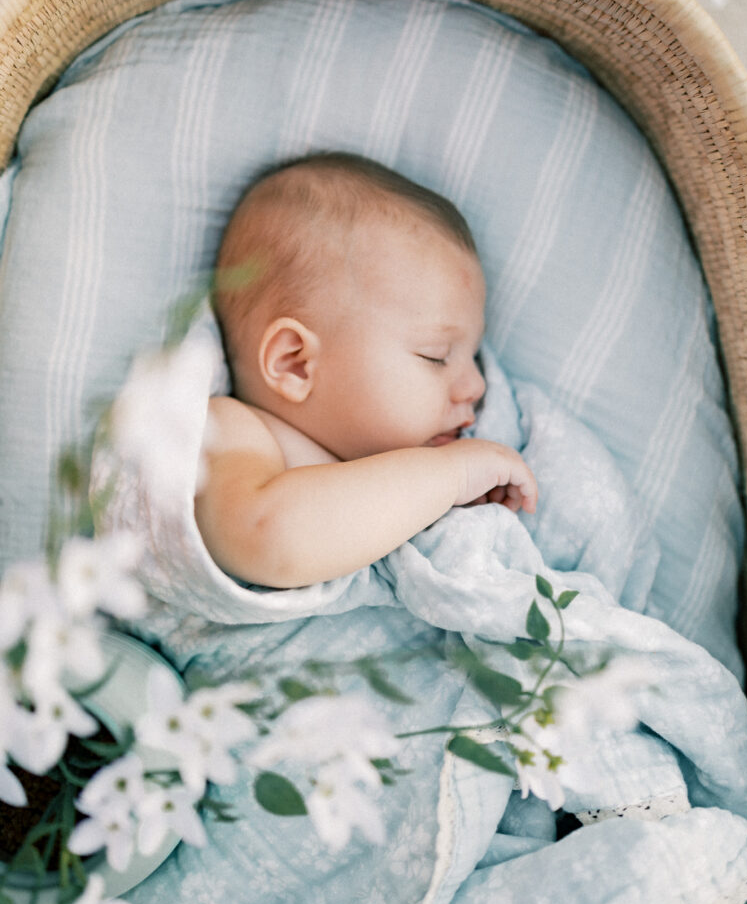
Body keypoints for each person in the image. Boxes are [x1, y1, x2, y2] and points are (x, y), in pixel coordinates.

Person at [195, 152, 537, 588]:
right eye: (435, 355)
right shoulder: (235, 432)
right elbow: (267, 539)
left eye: (473, 356)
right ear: (295, 364)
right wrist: (449, 476)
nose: (476, 384)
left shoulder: (401, 465)